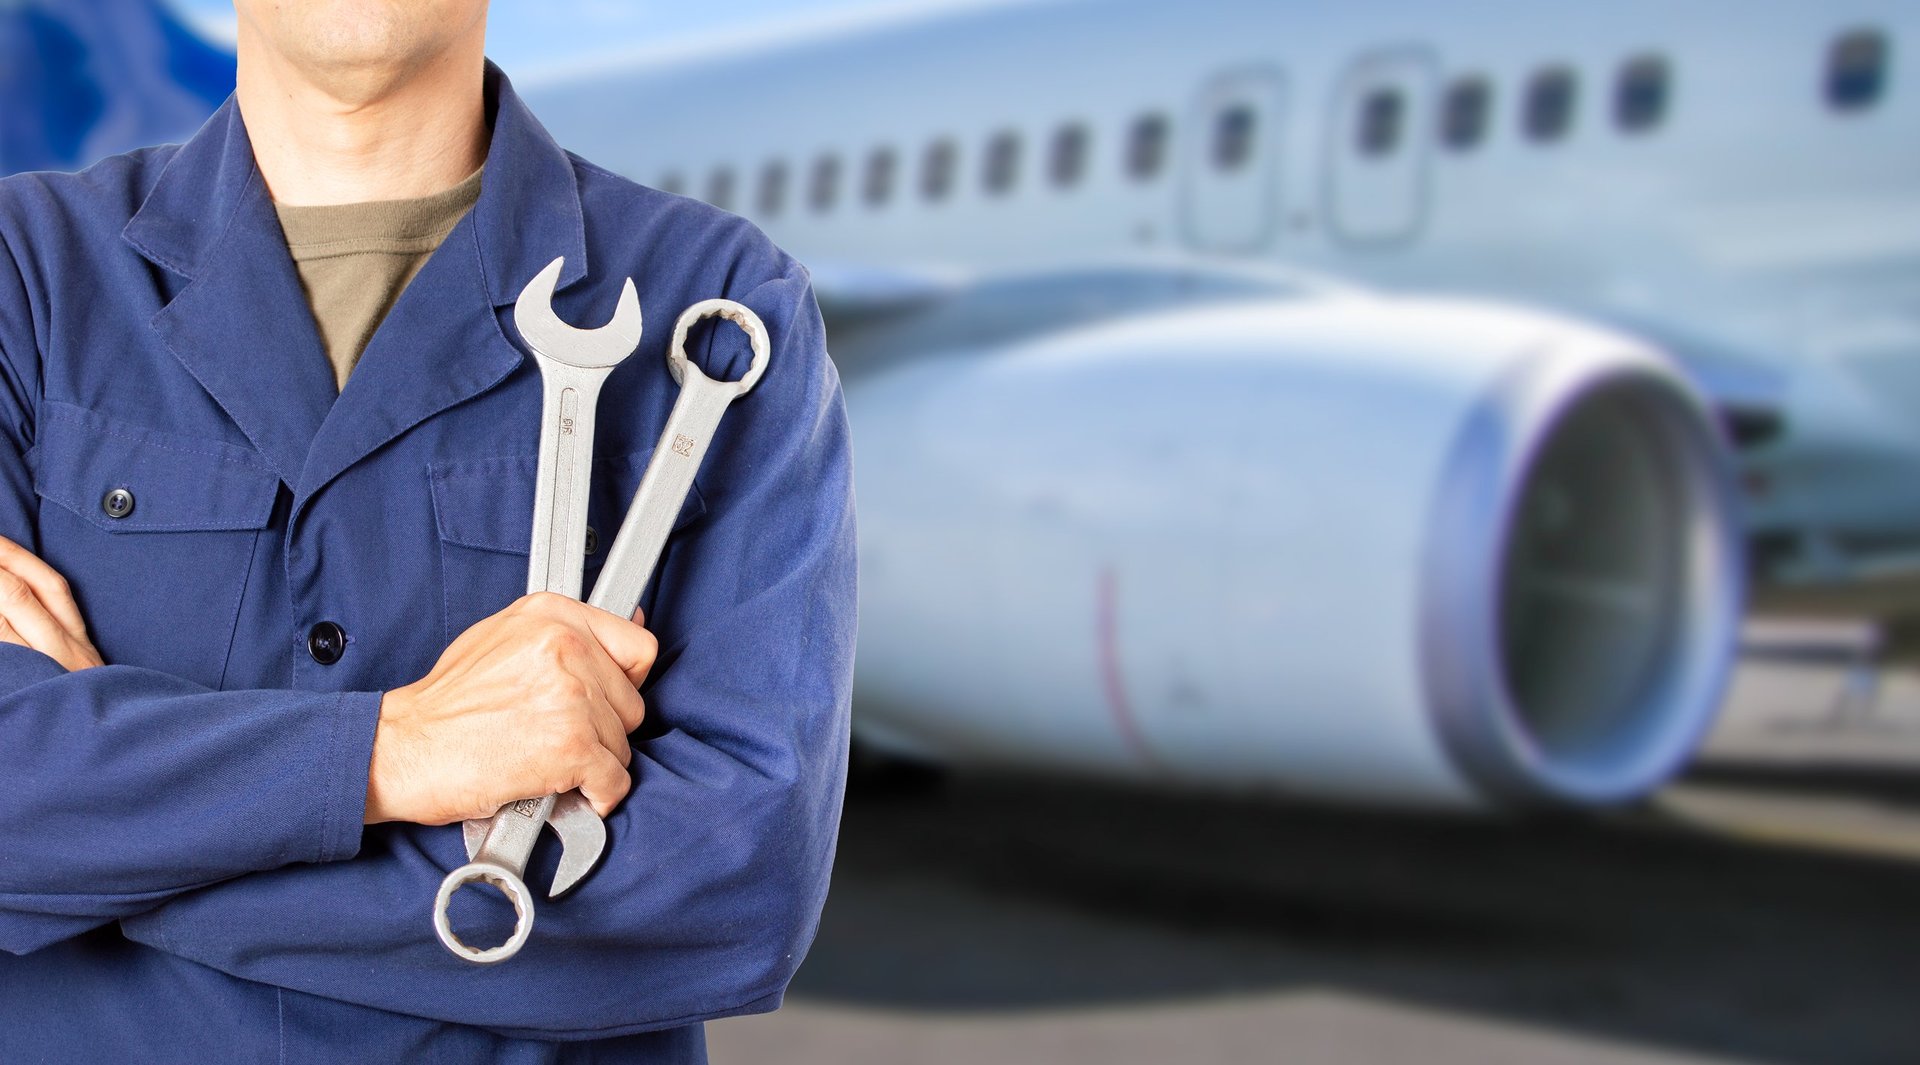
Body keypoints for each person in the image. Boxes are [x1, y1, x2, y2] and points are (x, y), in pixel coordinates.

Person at [0, 2, 856, 1062]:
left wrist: (99, 857)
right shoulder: (23, 277)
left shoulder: (722, 299)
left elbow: (736, 890)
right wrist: (400, 753)